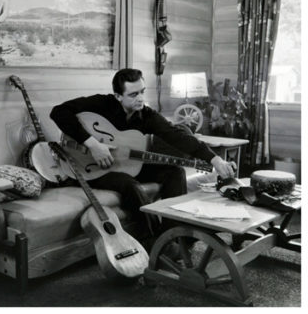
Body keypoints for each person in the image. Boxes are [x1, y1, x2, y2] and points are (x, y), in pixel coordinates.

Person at [49, 68, 237, 235]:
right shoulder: (101, 104)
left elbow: (177, 136)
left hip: (127, 164)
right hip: (92, 166)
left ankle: (173, 235)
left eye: (142, 92)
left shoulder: (146, 115)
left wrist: (214, 160)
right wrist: (92, 144)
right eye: (133, 94)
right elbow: (58, 112)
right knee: (129, 185)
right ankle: (152, 238)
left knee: (175, 172)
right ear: (118, 96)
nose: (140, 98)